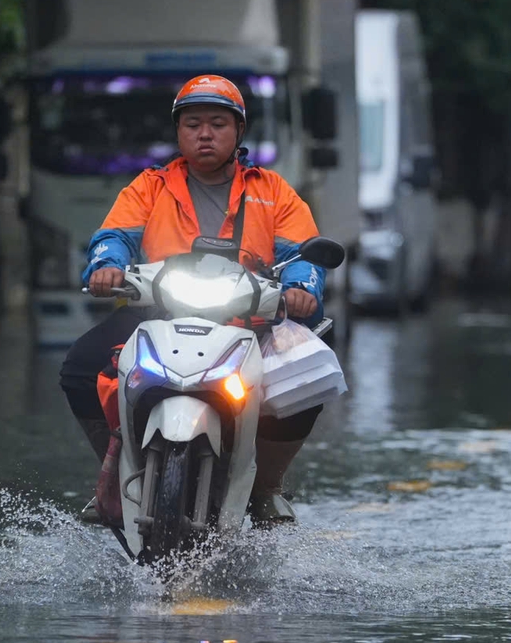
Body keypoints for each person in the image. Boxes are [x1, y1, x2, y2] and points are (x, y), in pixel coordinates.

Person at [58, 74, 327, 525]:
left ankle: (266, 486)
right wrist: (107, 265)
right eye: (193, 124)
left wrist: (303, 288)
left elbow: (302, 253)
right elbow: (114, 235)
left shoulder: (272, 190)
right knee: (80, 369)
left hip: (248, 316)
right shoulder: (150, 186)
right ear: (178, 132)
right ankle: (115, 472)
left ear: (239, 131)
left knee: (309, 376)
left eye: (218, 124)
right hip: (159, 312)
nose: (205, 134)